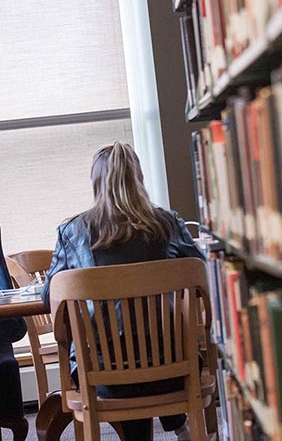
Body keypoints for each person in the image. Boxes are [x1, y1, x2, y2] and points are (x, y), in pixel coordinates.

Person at [41, 142, 204, 441]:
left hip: (101, 374)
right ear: (139, 178)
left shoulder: (73, 231)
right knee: (151, 344)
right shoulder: (168, 223)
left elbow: (47, 298)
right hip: (175, 368)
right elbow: (202, 276)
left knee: (120, 349)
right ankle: (180, 427)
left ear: (95, 182)